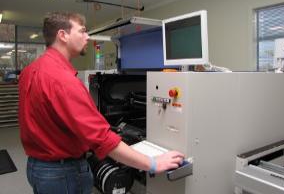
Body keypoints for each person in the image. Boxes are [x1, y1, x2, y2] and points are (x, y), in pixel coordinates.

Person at [18, 12, 184, 194]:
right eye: (82, 31)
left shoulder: (30, 70)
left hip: (37, 167)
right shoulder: (62, 79)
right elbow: (103, 140)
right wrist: (153, 163)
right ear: (62, 35)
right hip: (62, 173)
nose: (87, 37)